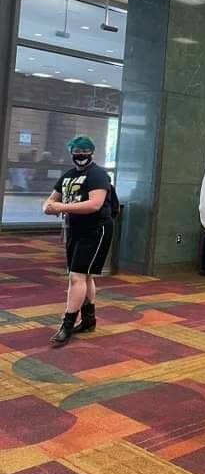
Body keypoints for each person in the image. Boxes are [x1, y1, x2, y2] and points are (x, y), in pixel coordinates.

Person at [43, 136, 113, 345]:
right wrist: (48, 206)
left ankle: (67, 324)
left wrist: (62, 207)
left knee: (76, 276)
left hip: (96, 230)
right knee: (85, 276)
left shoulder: (97, 174)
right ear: (71, 153)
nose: (80, 155)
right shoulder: (69, 176)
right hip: (75, 230)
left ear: (92, 152)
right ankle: (89, 320)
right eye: (76, 151)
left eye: (85, 151)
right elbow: (52, 198)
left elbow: (95, 204)